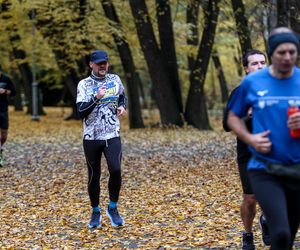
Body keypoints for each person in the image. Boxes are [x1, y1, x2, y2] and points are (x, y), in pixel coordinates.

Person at [227, 27, 300, 249]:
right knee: (255, 204)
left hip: (294, 164)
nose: (287, 57)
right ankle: (248, 234)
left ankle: (269, 220)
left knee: (286, 235)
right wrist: (249, 136)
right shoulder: (249, 86)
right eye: (281, 52)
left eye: (292, 52)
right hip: (258, 161)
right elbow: (230, 119)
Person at [223, 50, 270, 249]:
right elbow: (227, 124)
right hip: (248, 154)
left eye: (262, 63)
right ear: (246, 68)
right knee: (250, 199)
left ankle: (267, 220)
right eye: (255, 63)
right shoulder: (239, 93)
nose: (259, 66)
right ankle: (248, 234)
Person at [76, 50, 127, 229]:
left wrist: (122, 106)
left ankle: (113, 207)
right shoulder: (84, 84)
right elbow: (81, 112)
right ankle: (95, 211)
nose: (103, 66)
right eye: (99, 63)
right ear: (91, 64)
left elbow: (122, 95)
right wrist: (96, 98)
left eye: (104, 62)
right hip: (91, 137)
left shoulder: (115, 79)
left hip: (112, 133)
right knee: (94, 175)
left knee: (115, 168)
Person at [0, 71, 16, 167]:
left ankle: (1, 148)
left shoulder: (6, 79)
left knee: (4, 135)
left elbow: (14, 92)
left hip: (3, 110)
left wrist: (5, 91)